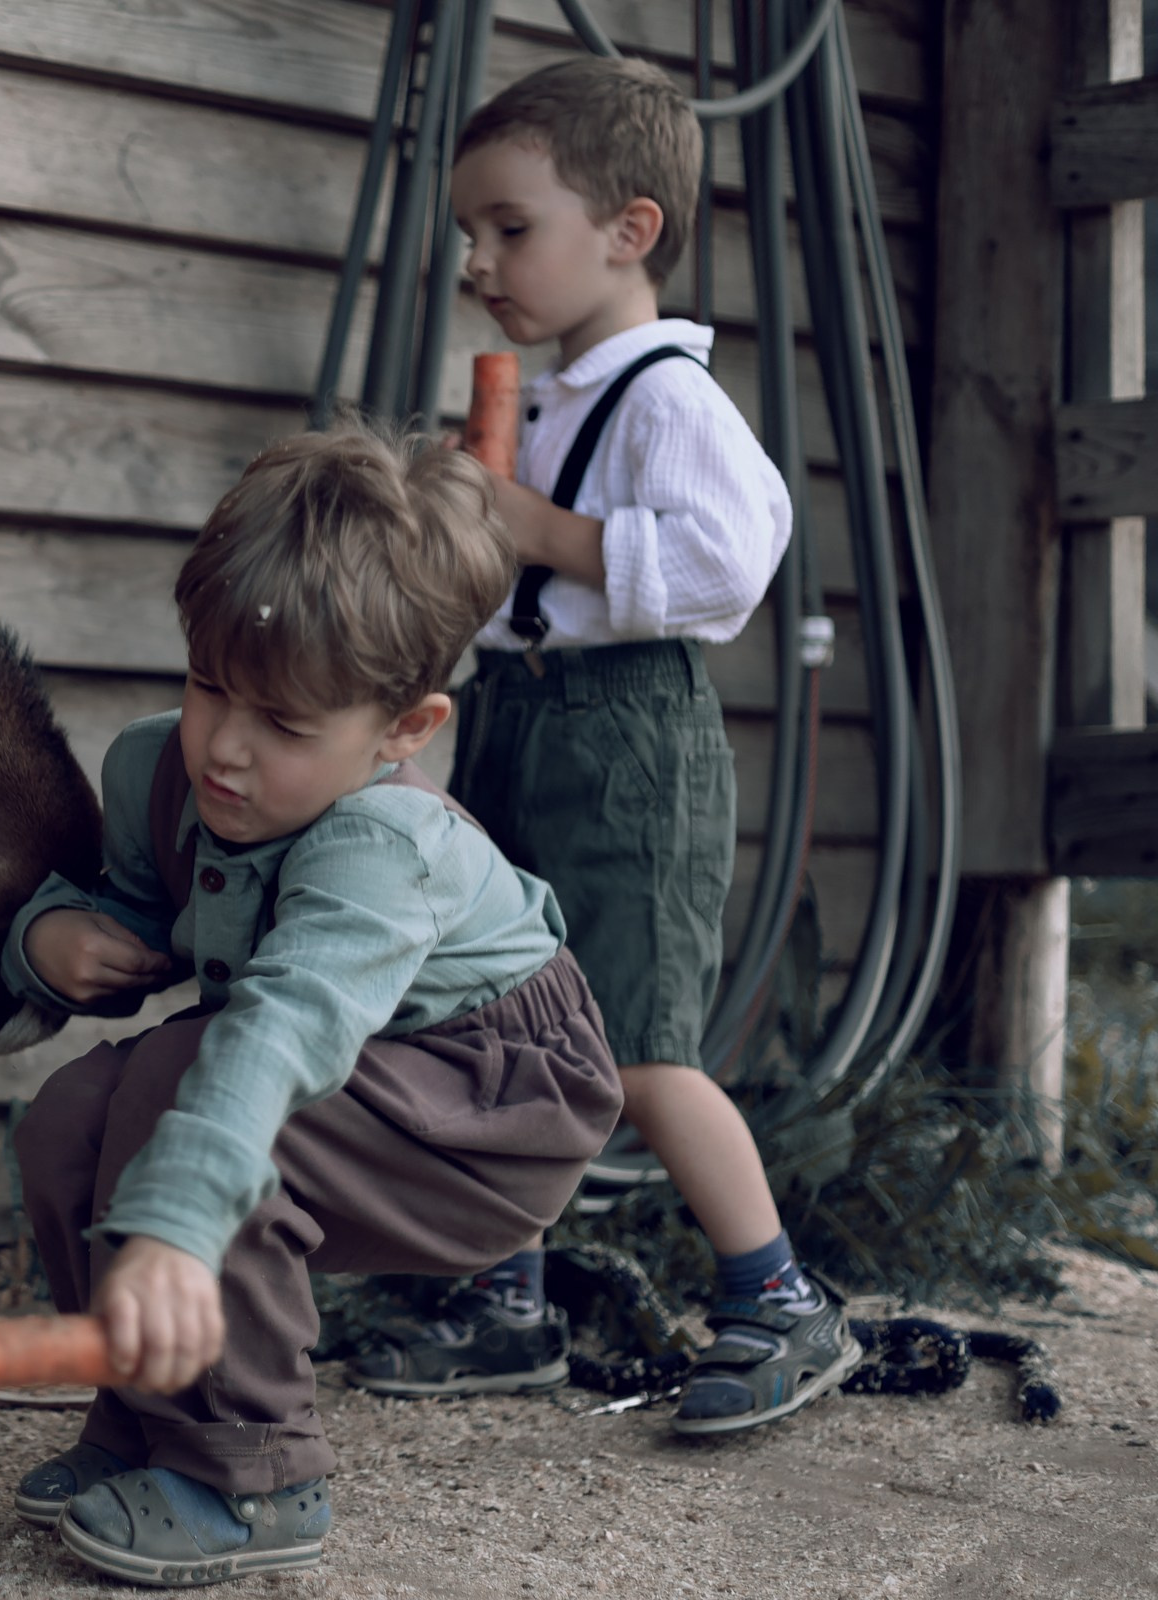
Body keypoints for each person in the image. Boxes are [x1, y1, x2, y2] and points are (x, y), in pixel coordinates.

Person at [0, 422, 624, 1587]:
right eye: (207, 686)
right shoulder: (158, 773)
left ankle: (253, 1475)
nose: (226, 749)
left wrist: (181, 1230)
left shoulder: (385, 844)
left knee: (193, 1092)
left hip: (489, 1099)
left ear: (404, 729)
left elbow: (280, 1033)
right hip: (330, 1062)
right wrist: (52, 938)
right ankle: (147, 1413)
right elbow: (137, 910)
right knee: (72, 1119)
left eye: (285, 725)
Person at [345, 55, 861, 1435]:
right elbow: (505, 586)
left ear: (630, 232)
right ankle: (501, 1294)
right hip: (519, 719)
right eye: (469, 234)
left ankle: (777, 1298)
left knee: (633, 1042)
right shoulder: (555, 396)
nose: (477, 262)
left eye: (511, 228)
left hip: (629, 740)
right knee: (502, 1016)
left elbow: (728, 558)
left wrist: (539, 532)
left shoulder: (667, 402)